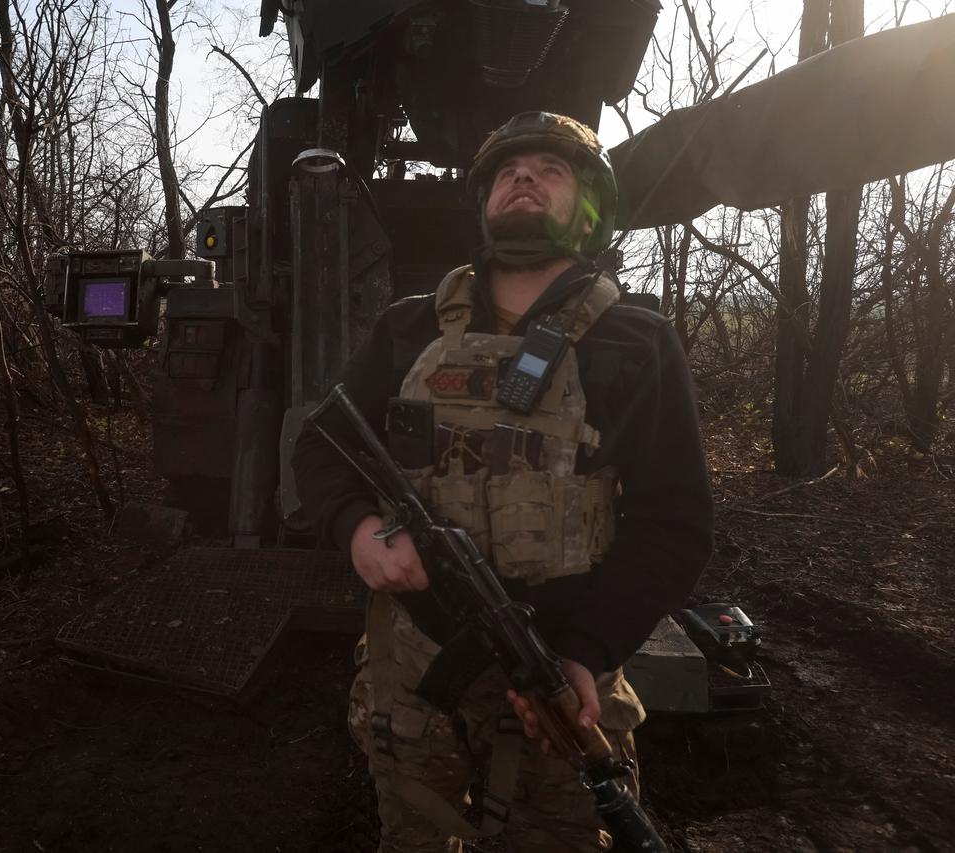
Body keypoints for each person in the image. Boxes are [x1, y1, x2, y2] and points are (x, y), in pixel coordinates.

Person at [291, 112, 714, 851]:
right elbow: (324, 448)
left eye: (550, 170)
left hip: (558, 676)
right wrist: (357, 528)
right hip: (417, 675)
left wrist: (585, 650)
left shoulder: (636, 339)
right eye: (508, 171)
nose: (525, 177)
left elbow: (673, 522)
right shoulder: (409, 327)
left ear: (587, 209)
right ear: (484, 202)